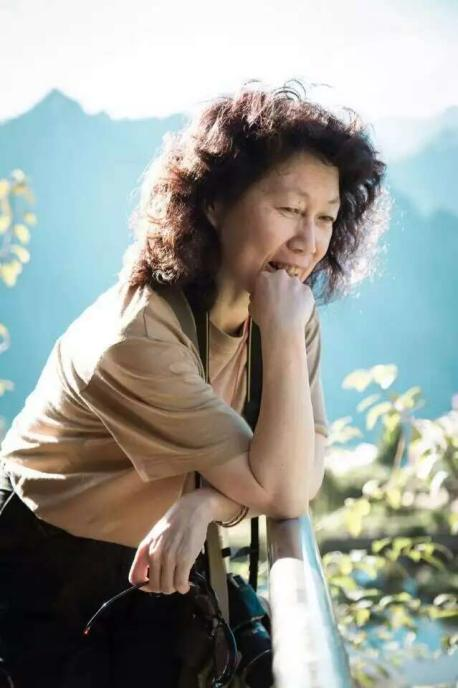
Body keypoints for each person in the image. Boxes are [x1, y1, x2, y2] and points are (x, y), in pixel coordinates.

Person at [0, 80, 389, 687]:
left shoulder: (283, 312)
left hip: (159, 552)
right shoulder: (139, 337)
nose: (309, 242)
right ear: (213, 203)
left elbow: (296, 478)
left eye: (326, 218)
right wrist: (241, 487)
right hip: (44, 568)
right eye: (289, 210)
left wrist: (208, 501)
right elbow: (283, 487)